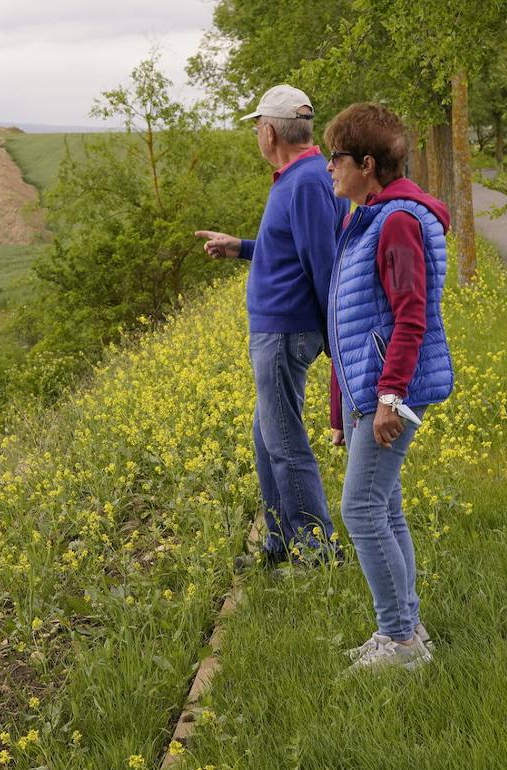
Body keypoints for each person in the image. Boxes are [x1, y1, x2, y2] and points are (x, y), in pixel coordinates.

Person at [195, 85, 350, 566]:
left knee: (284, 442)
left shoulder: (304, 181)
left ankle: (317, 549)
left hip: (285, 331)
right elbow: (291, 250)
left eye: (256, 128)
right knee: (267, 439)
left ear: (269, 131)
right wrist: (240, 246)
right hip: (279, 329)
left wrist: (334, 335)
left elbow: (321, 260)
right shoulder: (300, 176)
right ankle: (280, 542)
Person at [323, 103, 453, 671]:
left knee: (361, 510)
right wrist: (341, 411)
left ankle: (398, 641)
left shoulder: (396, 220)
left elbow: (410, 316)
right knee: (386, 508)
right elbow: (346, 321)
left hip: (390, 393)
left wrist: (388, 398)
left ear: (367, 163)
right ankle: (408, 631)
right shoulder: (367, 218)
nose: (330, 168)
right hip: (371, 393)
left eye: (337, 158)